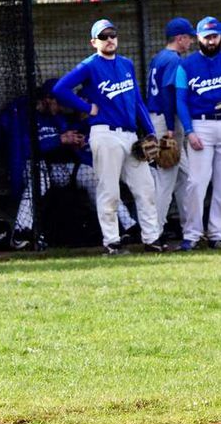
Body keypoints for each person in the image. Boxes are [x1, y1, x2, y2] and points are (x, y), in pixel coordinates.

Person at [53, 18, 163, 254]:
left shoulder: (126, 64)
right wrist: (87, 108)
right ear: (94, 42)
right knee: (109, 190)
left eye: (112, 34)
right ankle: (112, 242)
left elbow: (137, 101)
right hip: (105, 134)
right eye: (103, 36)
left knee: (145, 188)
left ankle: (152, 239)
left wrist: (151, 131)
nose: (110, 39)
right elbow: (59, 89)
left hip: (131, 135)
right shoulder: (89, 65)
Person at [9, 79, 136, 247]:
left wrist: (78, 142)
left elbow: (78, 136)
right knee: (40, 182)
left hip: (60, 168)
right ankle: (21, 232)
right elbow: (26, 148)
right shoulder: (27, 116)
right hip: (34, 166)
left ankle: (128, 226)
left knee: (94, 177)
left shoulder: (59, 118)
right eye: (58, 103)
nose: (61, 107)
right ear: (48, 99)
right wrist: (58, 140)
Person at [175, 16, 221, 250]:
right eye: (206, 37)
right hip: (200, 124)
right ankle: (192, 234)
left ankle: (217, 233)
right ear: (198, 38)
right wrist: (190, 131)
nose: (211, 41)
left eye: (214, 36)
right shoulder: (186, 64)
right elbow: (180, 101)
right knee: (196, 183)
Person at [146, 17, 196, 233]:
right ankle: (154, 231)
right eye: (189, 38)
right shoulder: (174, 60)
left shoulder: (159, 57)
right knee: (166, 179)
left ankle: (191, 227)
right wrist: (169, 128)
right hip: (166, 121)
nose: (191, 42)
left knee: (187, 176)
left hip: (156, 118)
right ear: (180, 38)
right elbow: (168, 94)